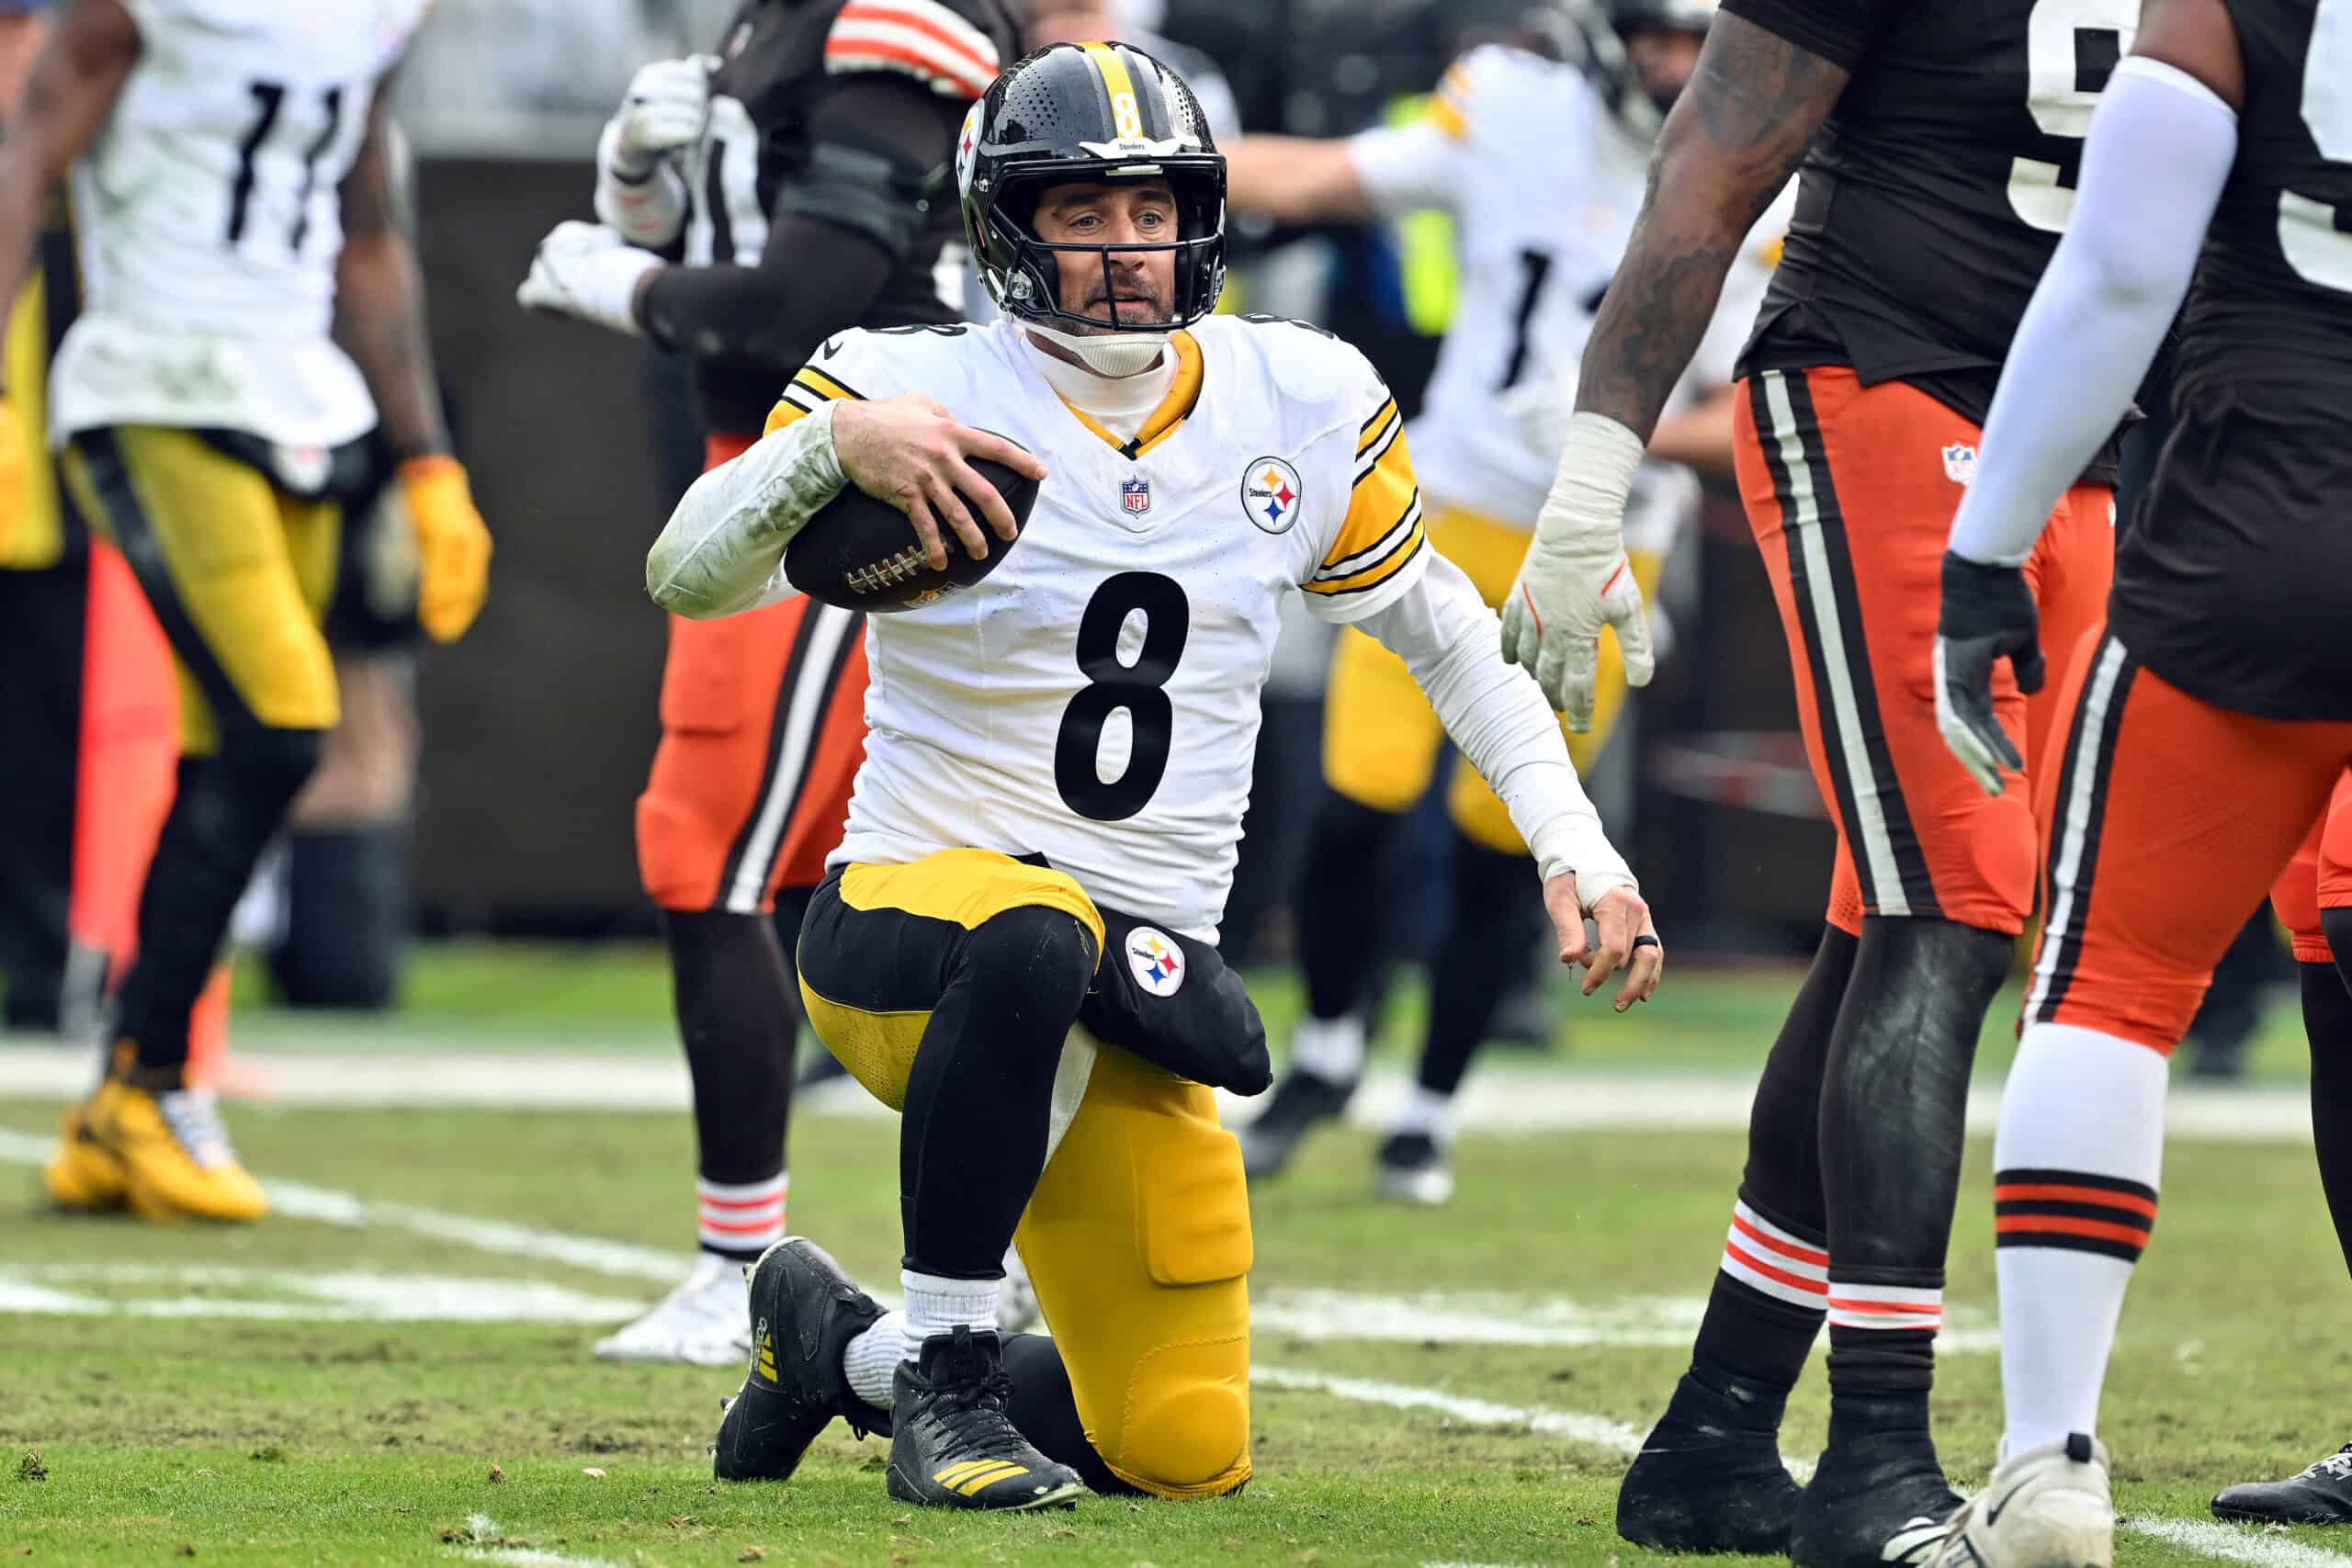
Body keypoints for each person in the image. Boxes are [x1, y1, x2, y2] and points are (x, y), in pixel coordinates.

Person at [644, 40, 1664, 1512]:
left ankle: (837, 1345)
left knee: (1178, 1447)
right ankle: (941, 1380)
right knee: (1032, 930)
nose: (1127, 251)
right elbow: (688, 573)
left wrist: (1579, 847)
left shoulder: (1294, 395)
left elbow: (1445, 635)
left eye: (1152, 211)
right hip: (907, 930)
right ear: (1007, 227)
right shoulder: (907, 380)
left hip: (1138, 974)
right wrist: (827, 454)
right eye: (1081, 213)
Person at [1500, 0, 2148, 1557]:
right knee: (1957, 909)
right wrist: (1596, 486)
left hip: (2089, 432)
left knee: (1900, 914)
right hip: (1885, 382)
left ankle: (1717, 1433)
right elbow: (1713, 169)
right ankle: (1875, 1456)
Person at [516, 0, 1020, 1363]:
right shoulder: (770, 22)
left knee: (709, 853)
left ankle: (742, 1266)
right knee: (834, 891)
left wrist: (606, 279)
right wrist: (633, 187)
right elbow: (722, 254)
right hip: (769, 459)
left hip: (852, 473)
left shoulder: (895, 19)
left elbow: (803, 296)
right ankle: (1006, 1245)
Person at [1924, 0, 2352, 1553]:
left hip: (2264, 522)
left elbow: (2115, 271)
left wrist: (1985, 549)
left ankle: (2050, 1467)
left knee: (2110, 985)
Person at [1218, 0, 1757, 1205]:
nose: (1674, 63)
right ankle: (1329, 1050)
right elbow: (1319, 177)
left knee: (1502, 841)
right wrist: (1145, 164)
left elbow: (1764, 412)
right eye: (1656, 35)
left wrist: (1629, 428)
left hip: (1608, 546)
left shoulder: (1765, 164)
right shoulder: (1516, 109)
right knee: (1355, 798)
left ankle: (1429, 1110)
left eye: (1695, 37)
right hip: (1449, 509)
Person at [0, 0, 491, 1222]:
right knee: (281, 725)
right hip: (152, 375)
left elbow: (364, 233)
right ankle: (151, 1081)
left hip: (302, 395)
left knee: (236, 748)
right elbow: (23, 162)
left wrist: (427, 459)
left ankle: (128, 1092)